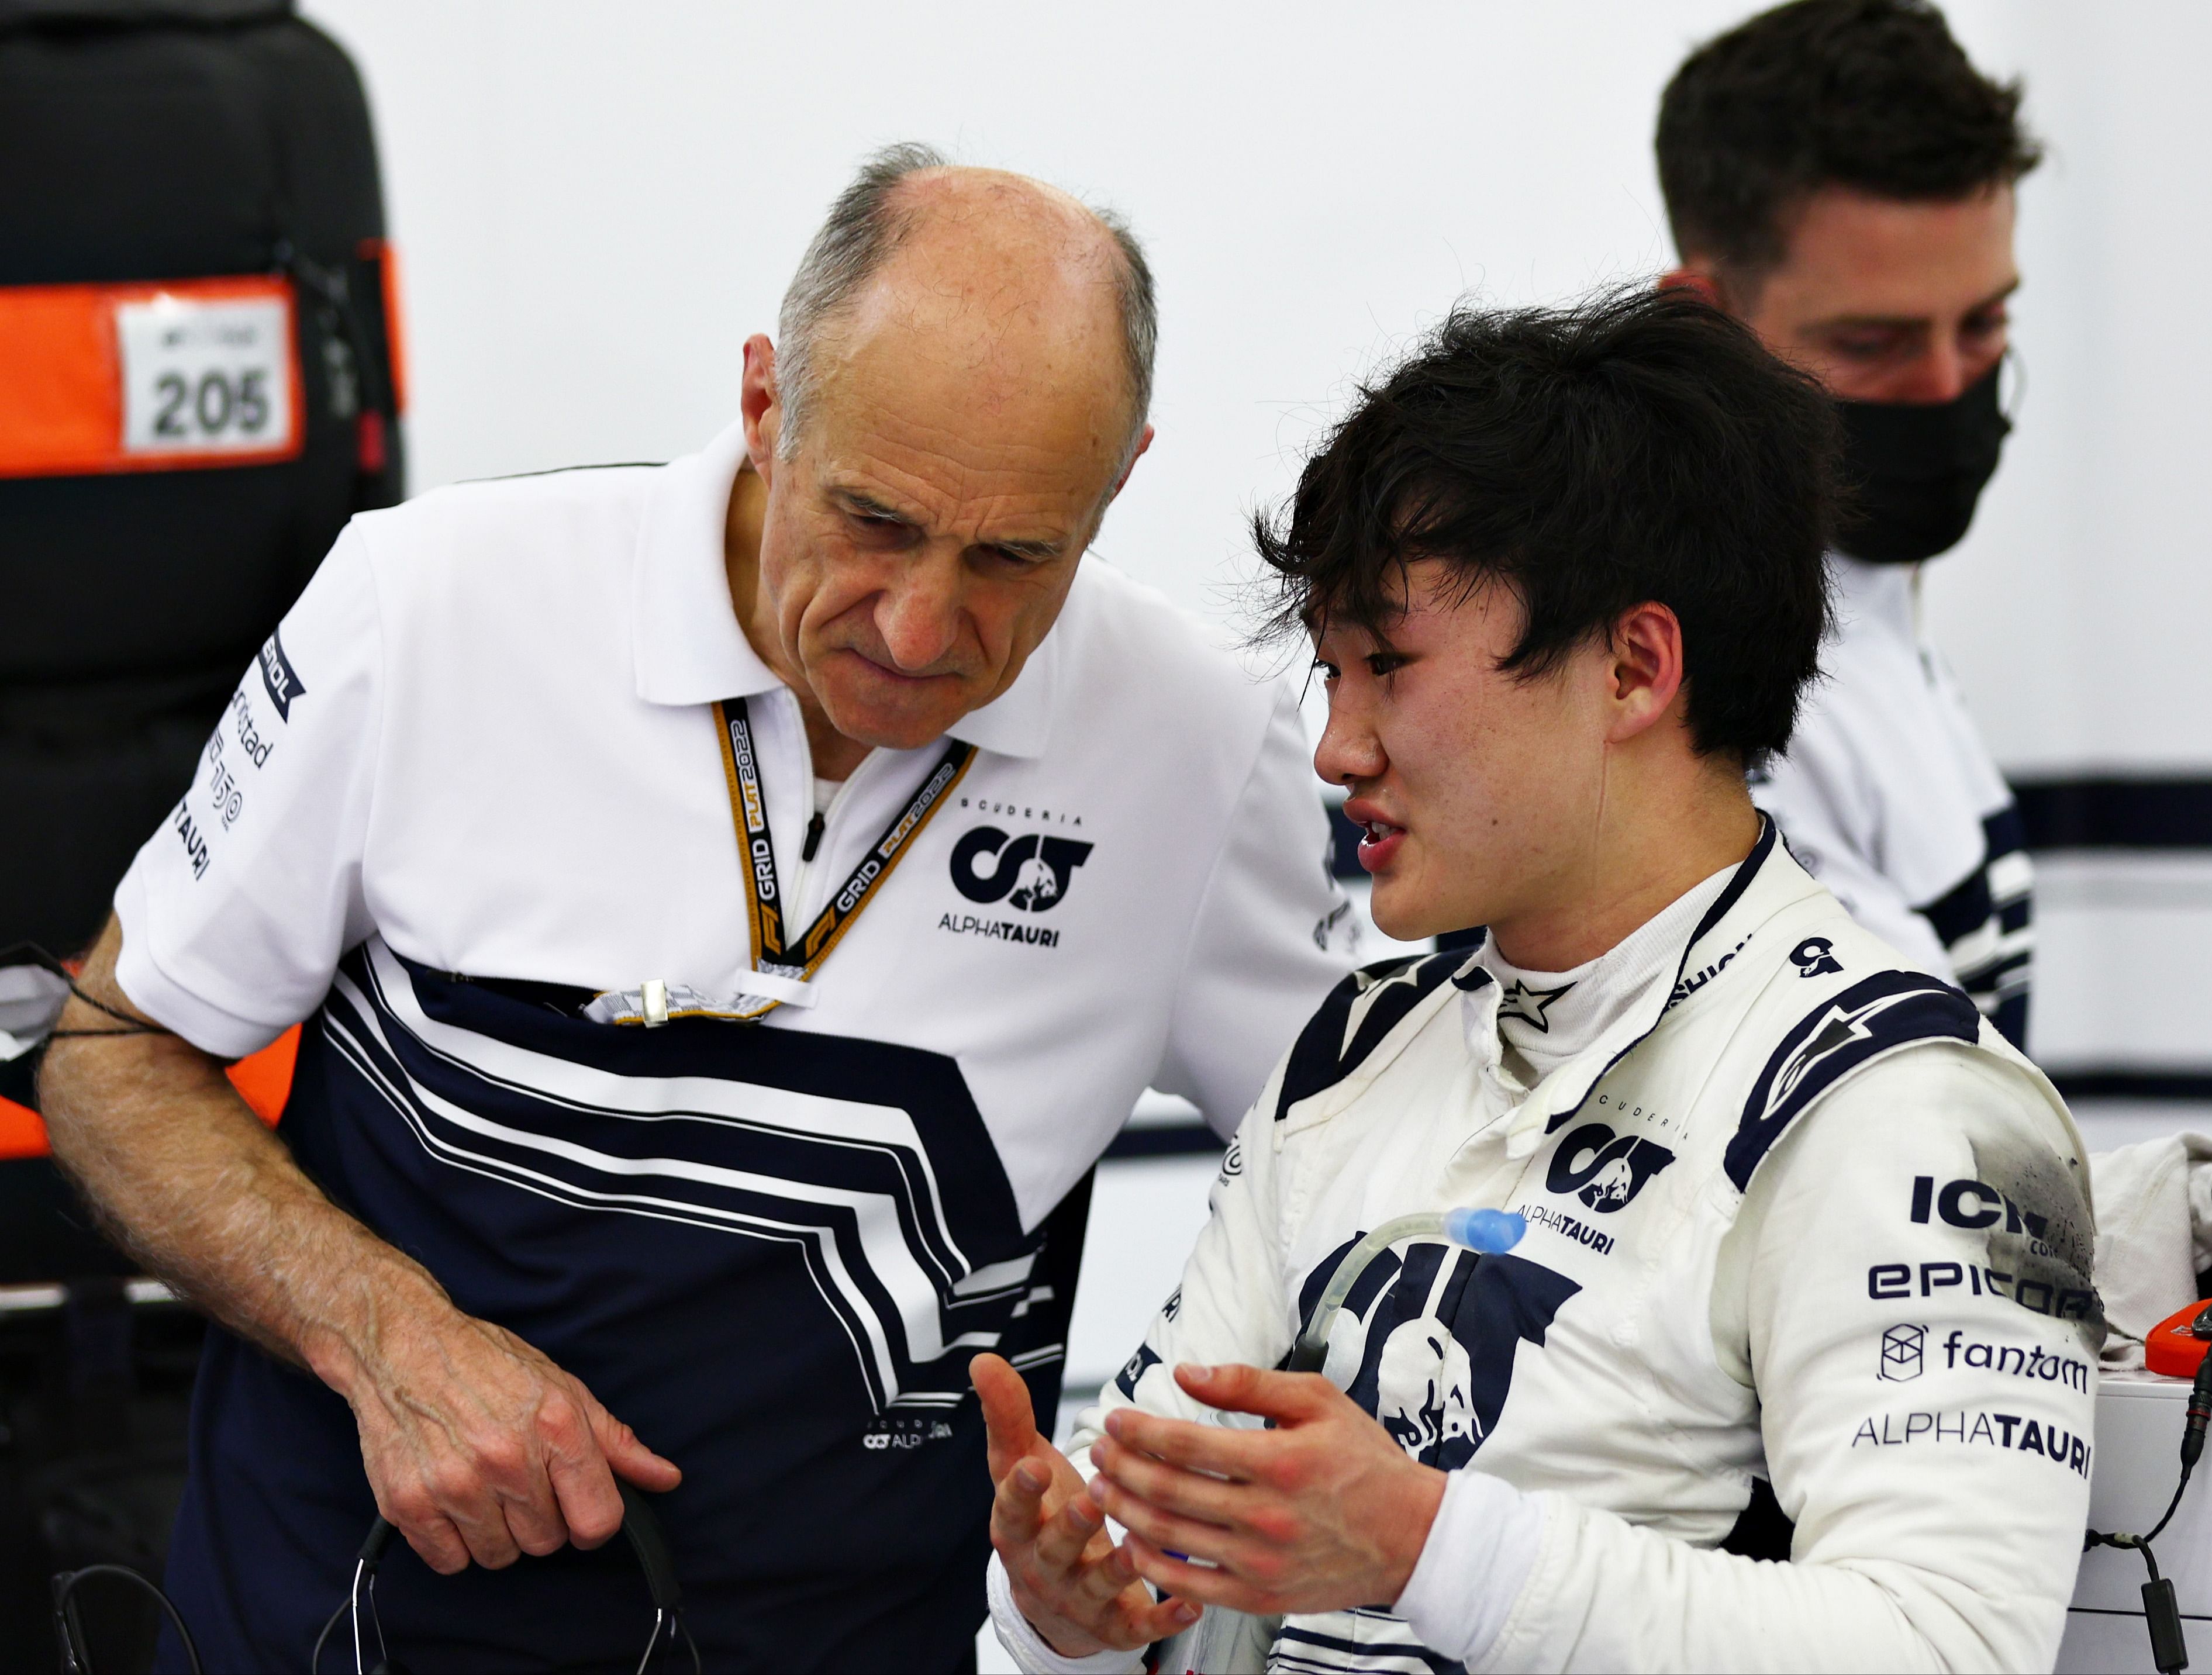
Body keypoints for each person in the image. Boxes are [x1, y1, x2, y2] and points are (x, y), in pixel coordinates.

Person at [33, 145, 1358, 1671]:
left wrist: (1158, 1530)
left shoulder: (1203, 740)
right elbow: (110, 1046)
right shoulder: (435, 604)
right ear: (761, 406)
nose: (922, 627)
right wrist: (384, 1337)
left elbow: (1356, 1197)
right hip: (329, 1620)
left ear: (1120, 478)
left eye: (1014, 555)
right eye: (869, 518)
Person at [975, 288, 2100, 1674]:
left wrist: (1426, 1544)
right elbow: (1148, 1555)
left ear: (1631, 665)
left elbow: (1950, 1648)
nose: (1335, 749)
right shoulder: (1356, 1044)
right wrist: (1066, 1609)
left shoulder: (1907, 1101)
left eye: (1386, 664)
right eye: (1328, 674)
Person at [1658, 0, 2041, 1049]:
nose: (1948, 383)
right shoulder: (1727, 685)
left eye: (1985, 321)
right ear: (1704, 321)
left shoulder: (1862, 595)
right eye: (1874, 341)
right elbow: (1913, 1135)